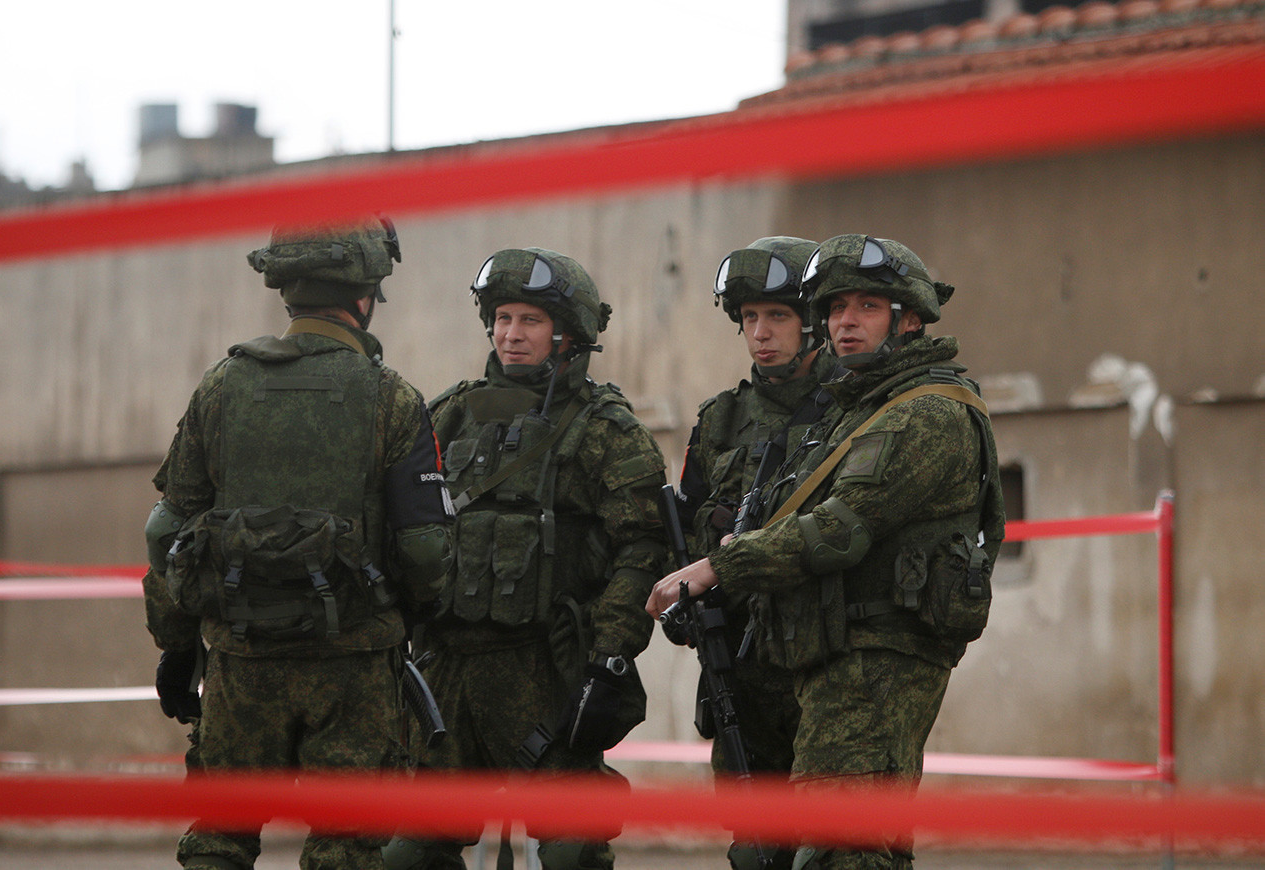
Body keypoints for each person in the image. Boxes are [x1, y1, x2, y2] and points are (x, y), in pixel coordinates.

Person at [648, 234, 1005, 870]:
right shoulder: (857, 410)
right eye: (837, 307)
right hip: (818, 654)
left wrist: (718, 566)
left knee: (846, 851)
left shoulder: (924, 413)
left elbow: (838, 529)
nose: (845, 321)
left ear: (910, 318)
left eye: (867, 307)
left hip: (875, 658)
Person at [143, 217, 454, 870]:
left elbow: (166, 533)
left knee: (220, 835)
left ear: (286, 290)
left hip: (240, 659)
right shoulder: (391, 399)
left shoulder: (222, 388)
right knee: (346, 842)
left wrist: (177, 645)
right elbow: (427, 553)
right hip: (355, 667)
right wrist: (407, 626)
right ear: (365, 295)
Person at [384, 248, 669, 870]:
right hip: (446, 669)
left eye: (531, 321)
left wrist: (609, 655)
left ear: (569, 335)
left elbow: (643, 548)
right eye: (503, 317)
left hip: (546, 668)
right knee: (409, 851)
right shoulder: (449, 415)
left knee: (571, 849)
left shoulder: (606, 429)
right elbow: (402, 528)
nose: (511, 334)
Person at [673, 236, 841, 870]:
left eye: (777, 316)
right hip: (741, 657)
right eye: (749, 319)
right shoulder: (719, 421)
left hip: (825, 651)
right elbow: (685, 527)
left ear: (812, 321)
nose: (762, 333)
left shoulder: (852, 408)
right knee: (755, 845)